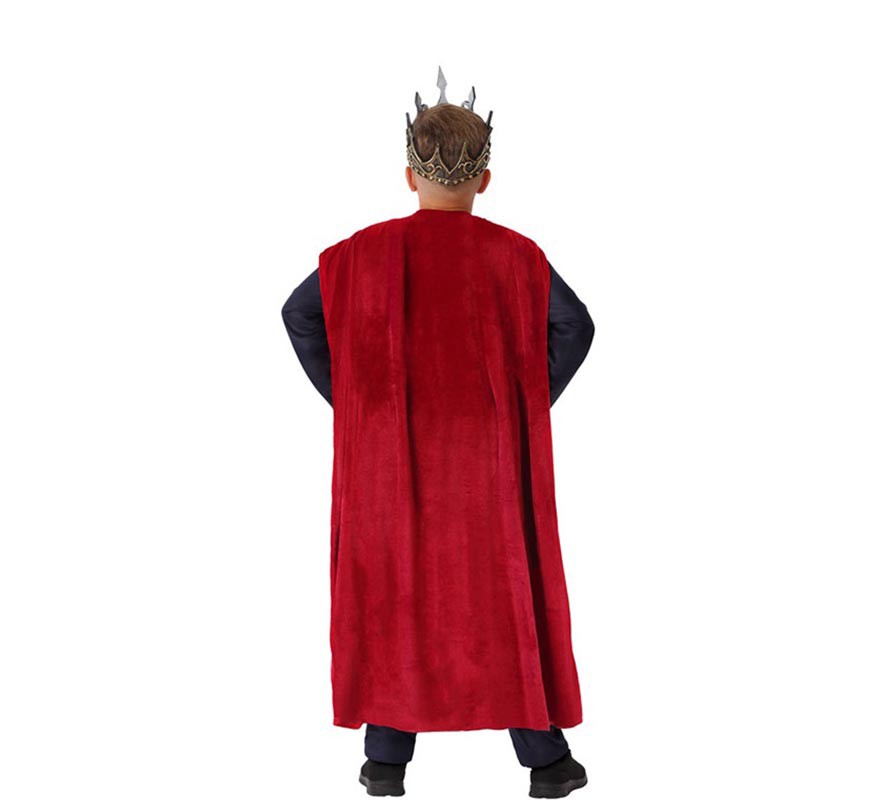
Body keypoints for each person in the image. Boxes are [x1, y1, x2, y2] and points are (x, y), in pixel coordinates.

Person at [281, 67, 595, 798]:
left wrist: (360, 405)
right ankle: (546, 760)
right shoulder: (517, 255)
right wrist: (517, 406)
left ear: (407, 176)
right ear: (484, 179)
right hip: (488, 464)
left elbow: (299, 315)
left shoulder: (358, 253)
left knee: (397, 587)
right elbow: (575, 326)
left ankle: (386, 760)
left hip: (387, 461)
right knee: (496, 591)